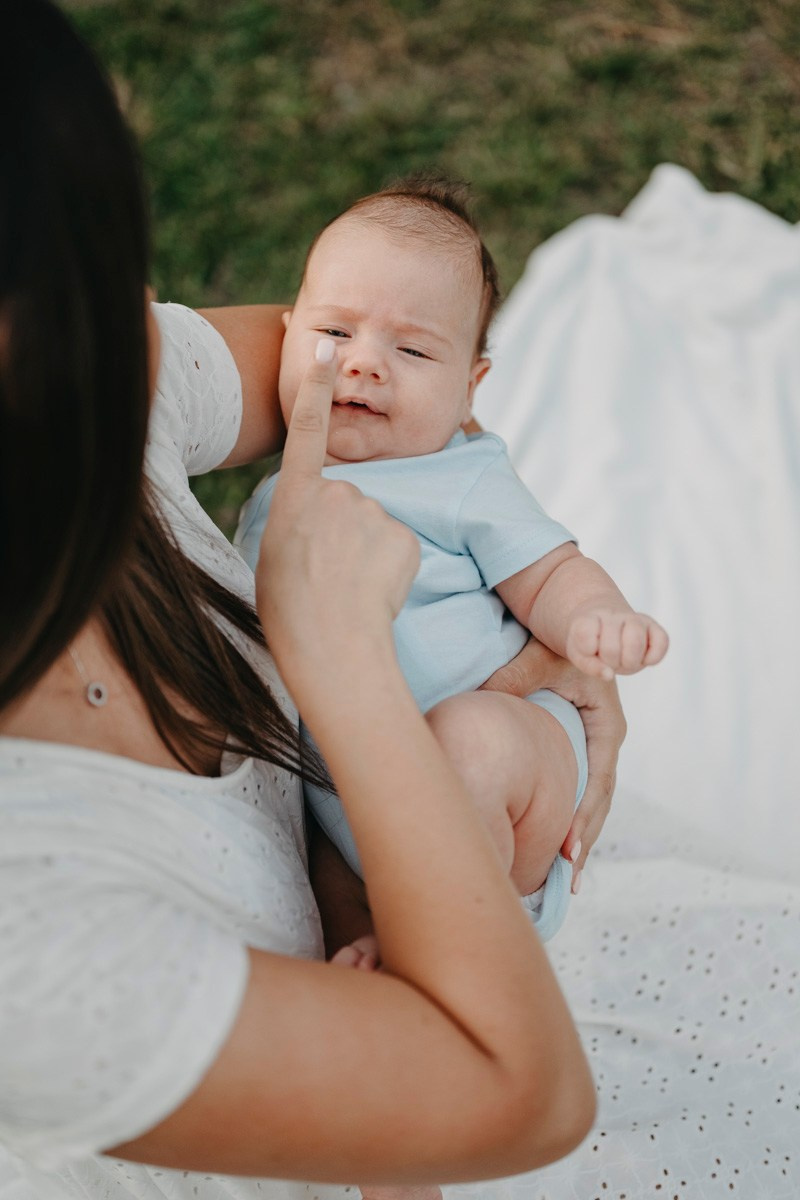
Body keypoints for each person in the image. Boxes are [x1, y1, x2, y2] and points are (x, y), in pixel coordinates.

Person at [0, 5, 627, 1200]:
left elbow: (374, 378)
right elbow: (524, 1099)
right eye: (95, 256)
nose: (145, 297)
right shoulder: (21, 922)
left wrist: (537, 600)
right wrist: (339, 660)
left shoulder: (104, 396)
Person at [236, 177, 667, 943]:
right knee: (317, 848)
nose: (365, 364)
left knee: (468, 737)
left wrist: (596, 619)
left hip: (514, 752)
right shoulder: (273, 501)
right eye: (334, 334)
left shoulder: (462, 474)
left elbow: (552, 570)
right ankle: (378, 940)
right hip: (357, 810)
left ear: (470, 387)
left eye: (411, 348)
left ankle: (451, 940)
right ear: (287, 331)